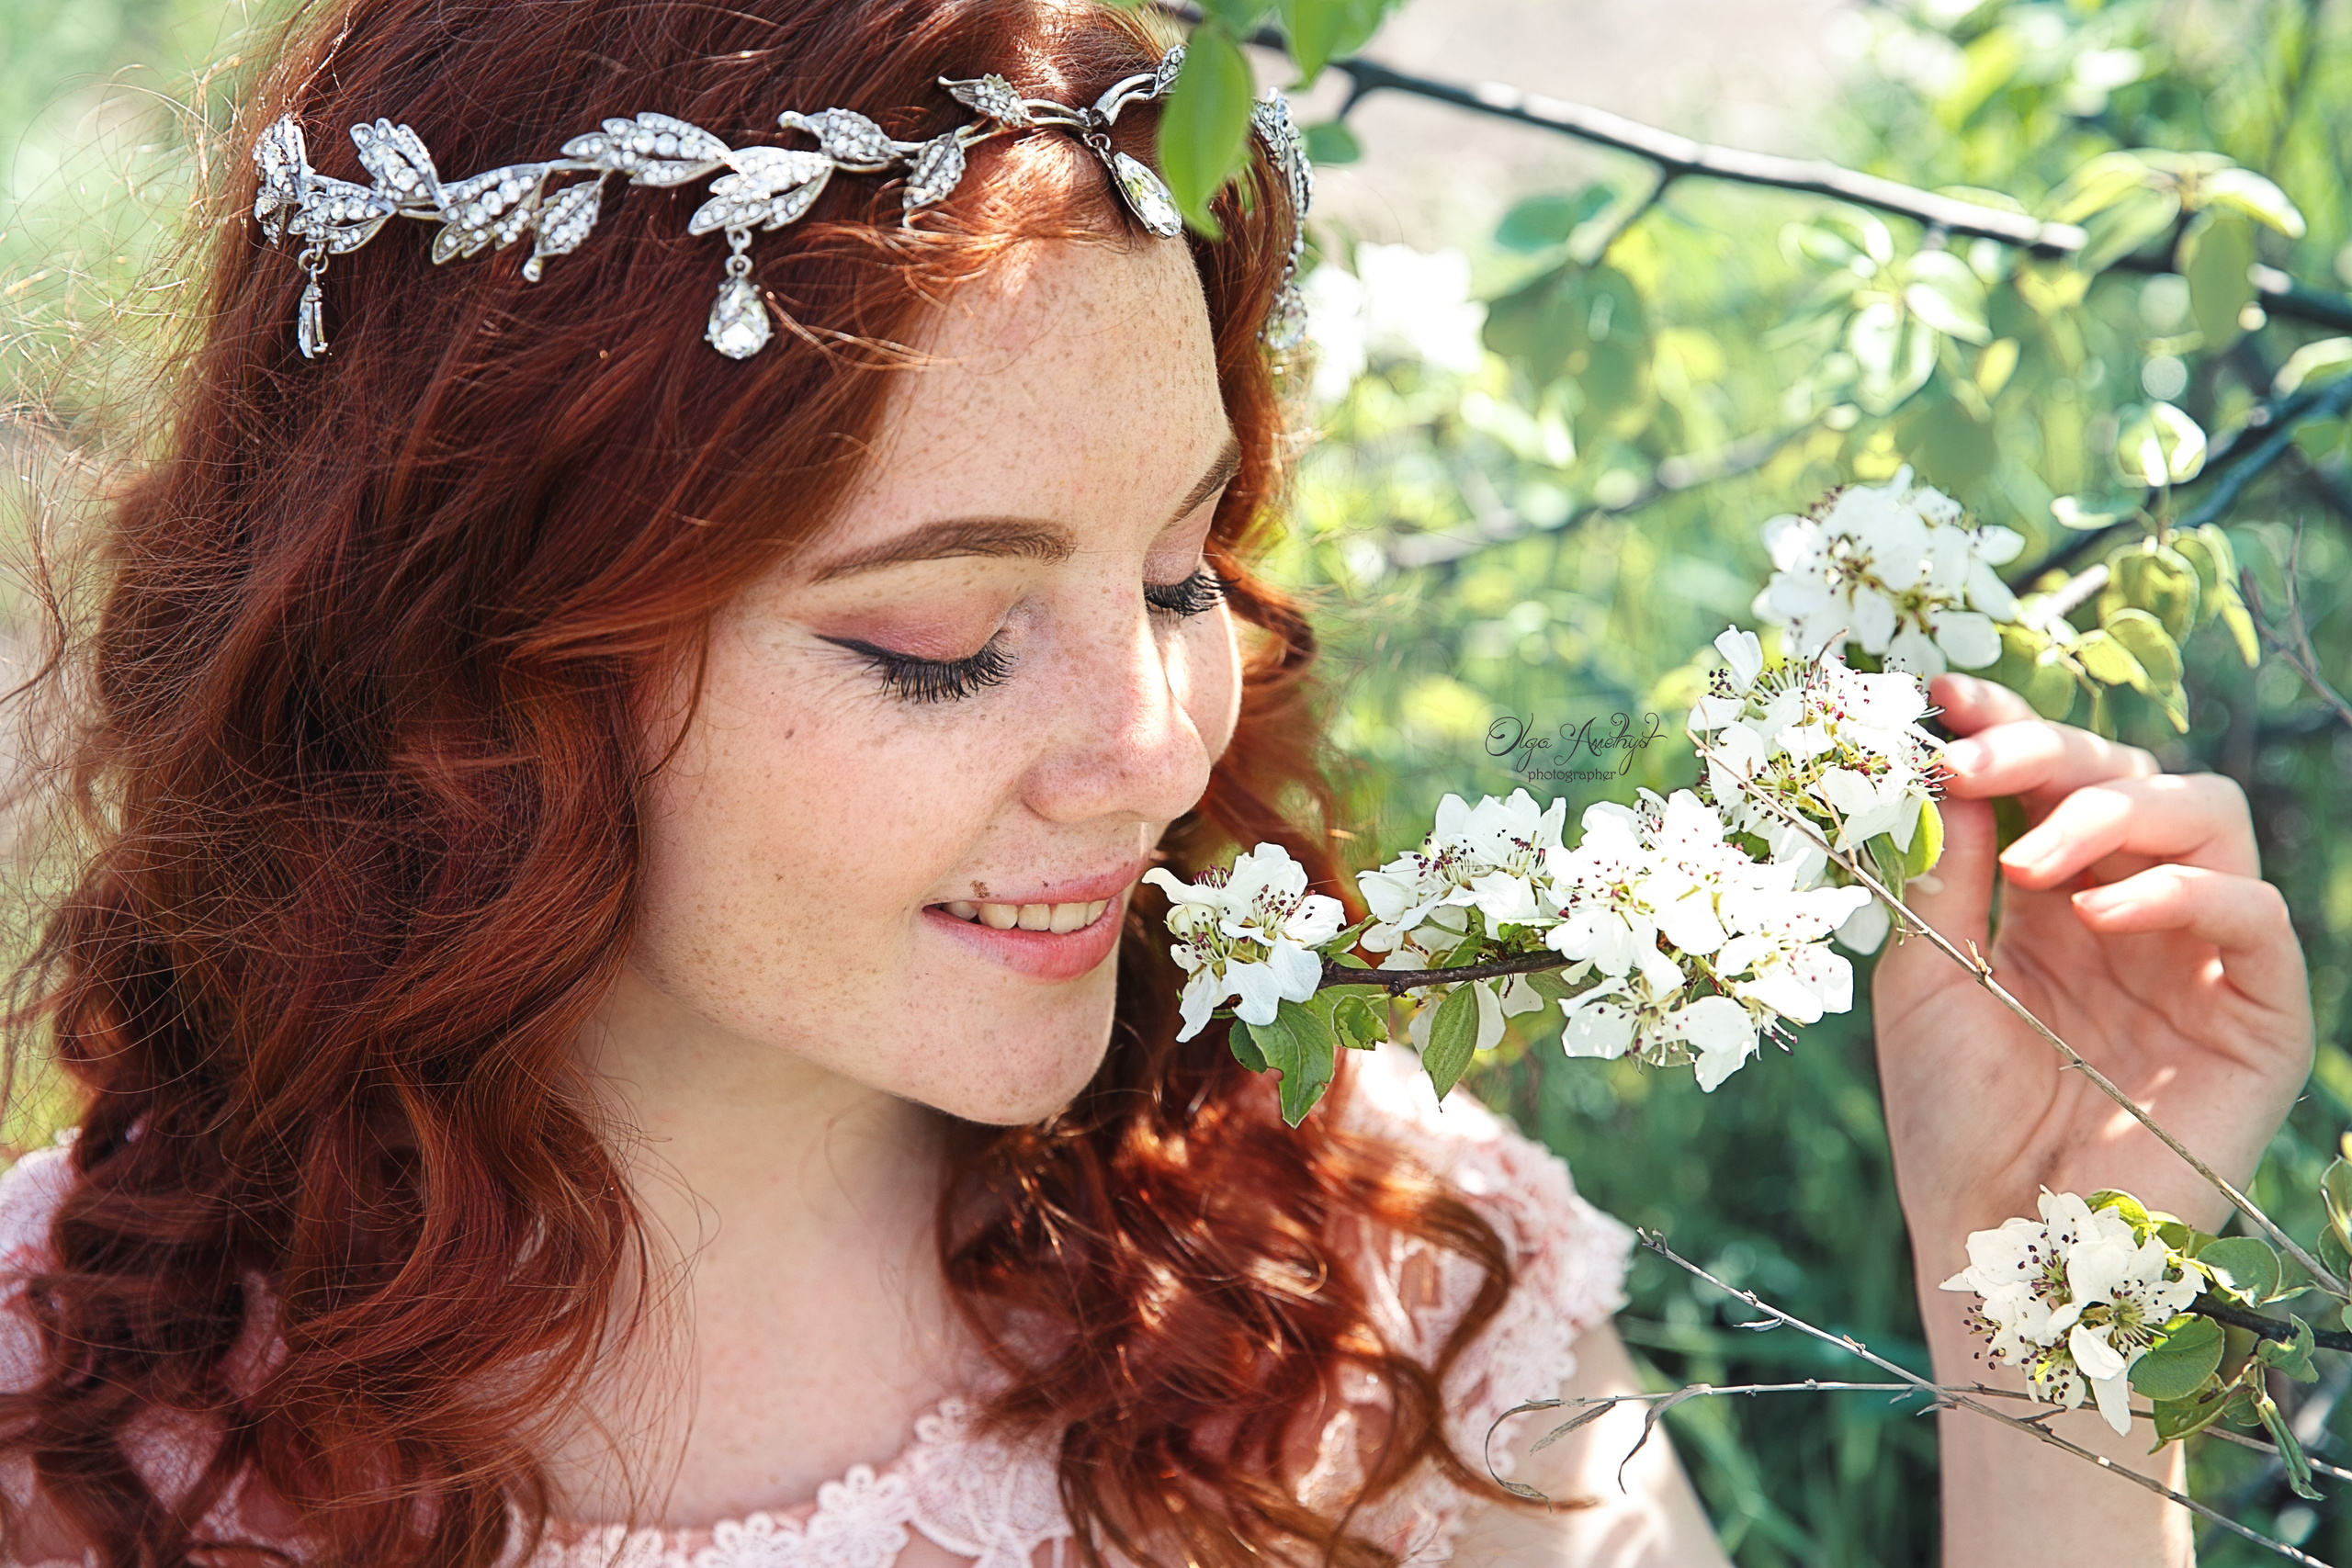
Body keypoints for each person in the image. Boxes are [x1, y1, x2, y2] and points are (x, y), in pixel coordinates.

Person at [0, 0, 2312, 1564]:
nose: (1149, 741)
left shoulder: (1377, 1294)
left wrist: (2057, 1336)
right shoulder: (60, 1412)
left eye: (1187, 568)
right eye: (935, 638)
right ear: (463, 648)